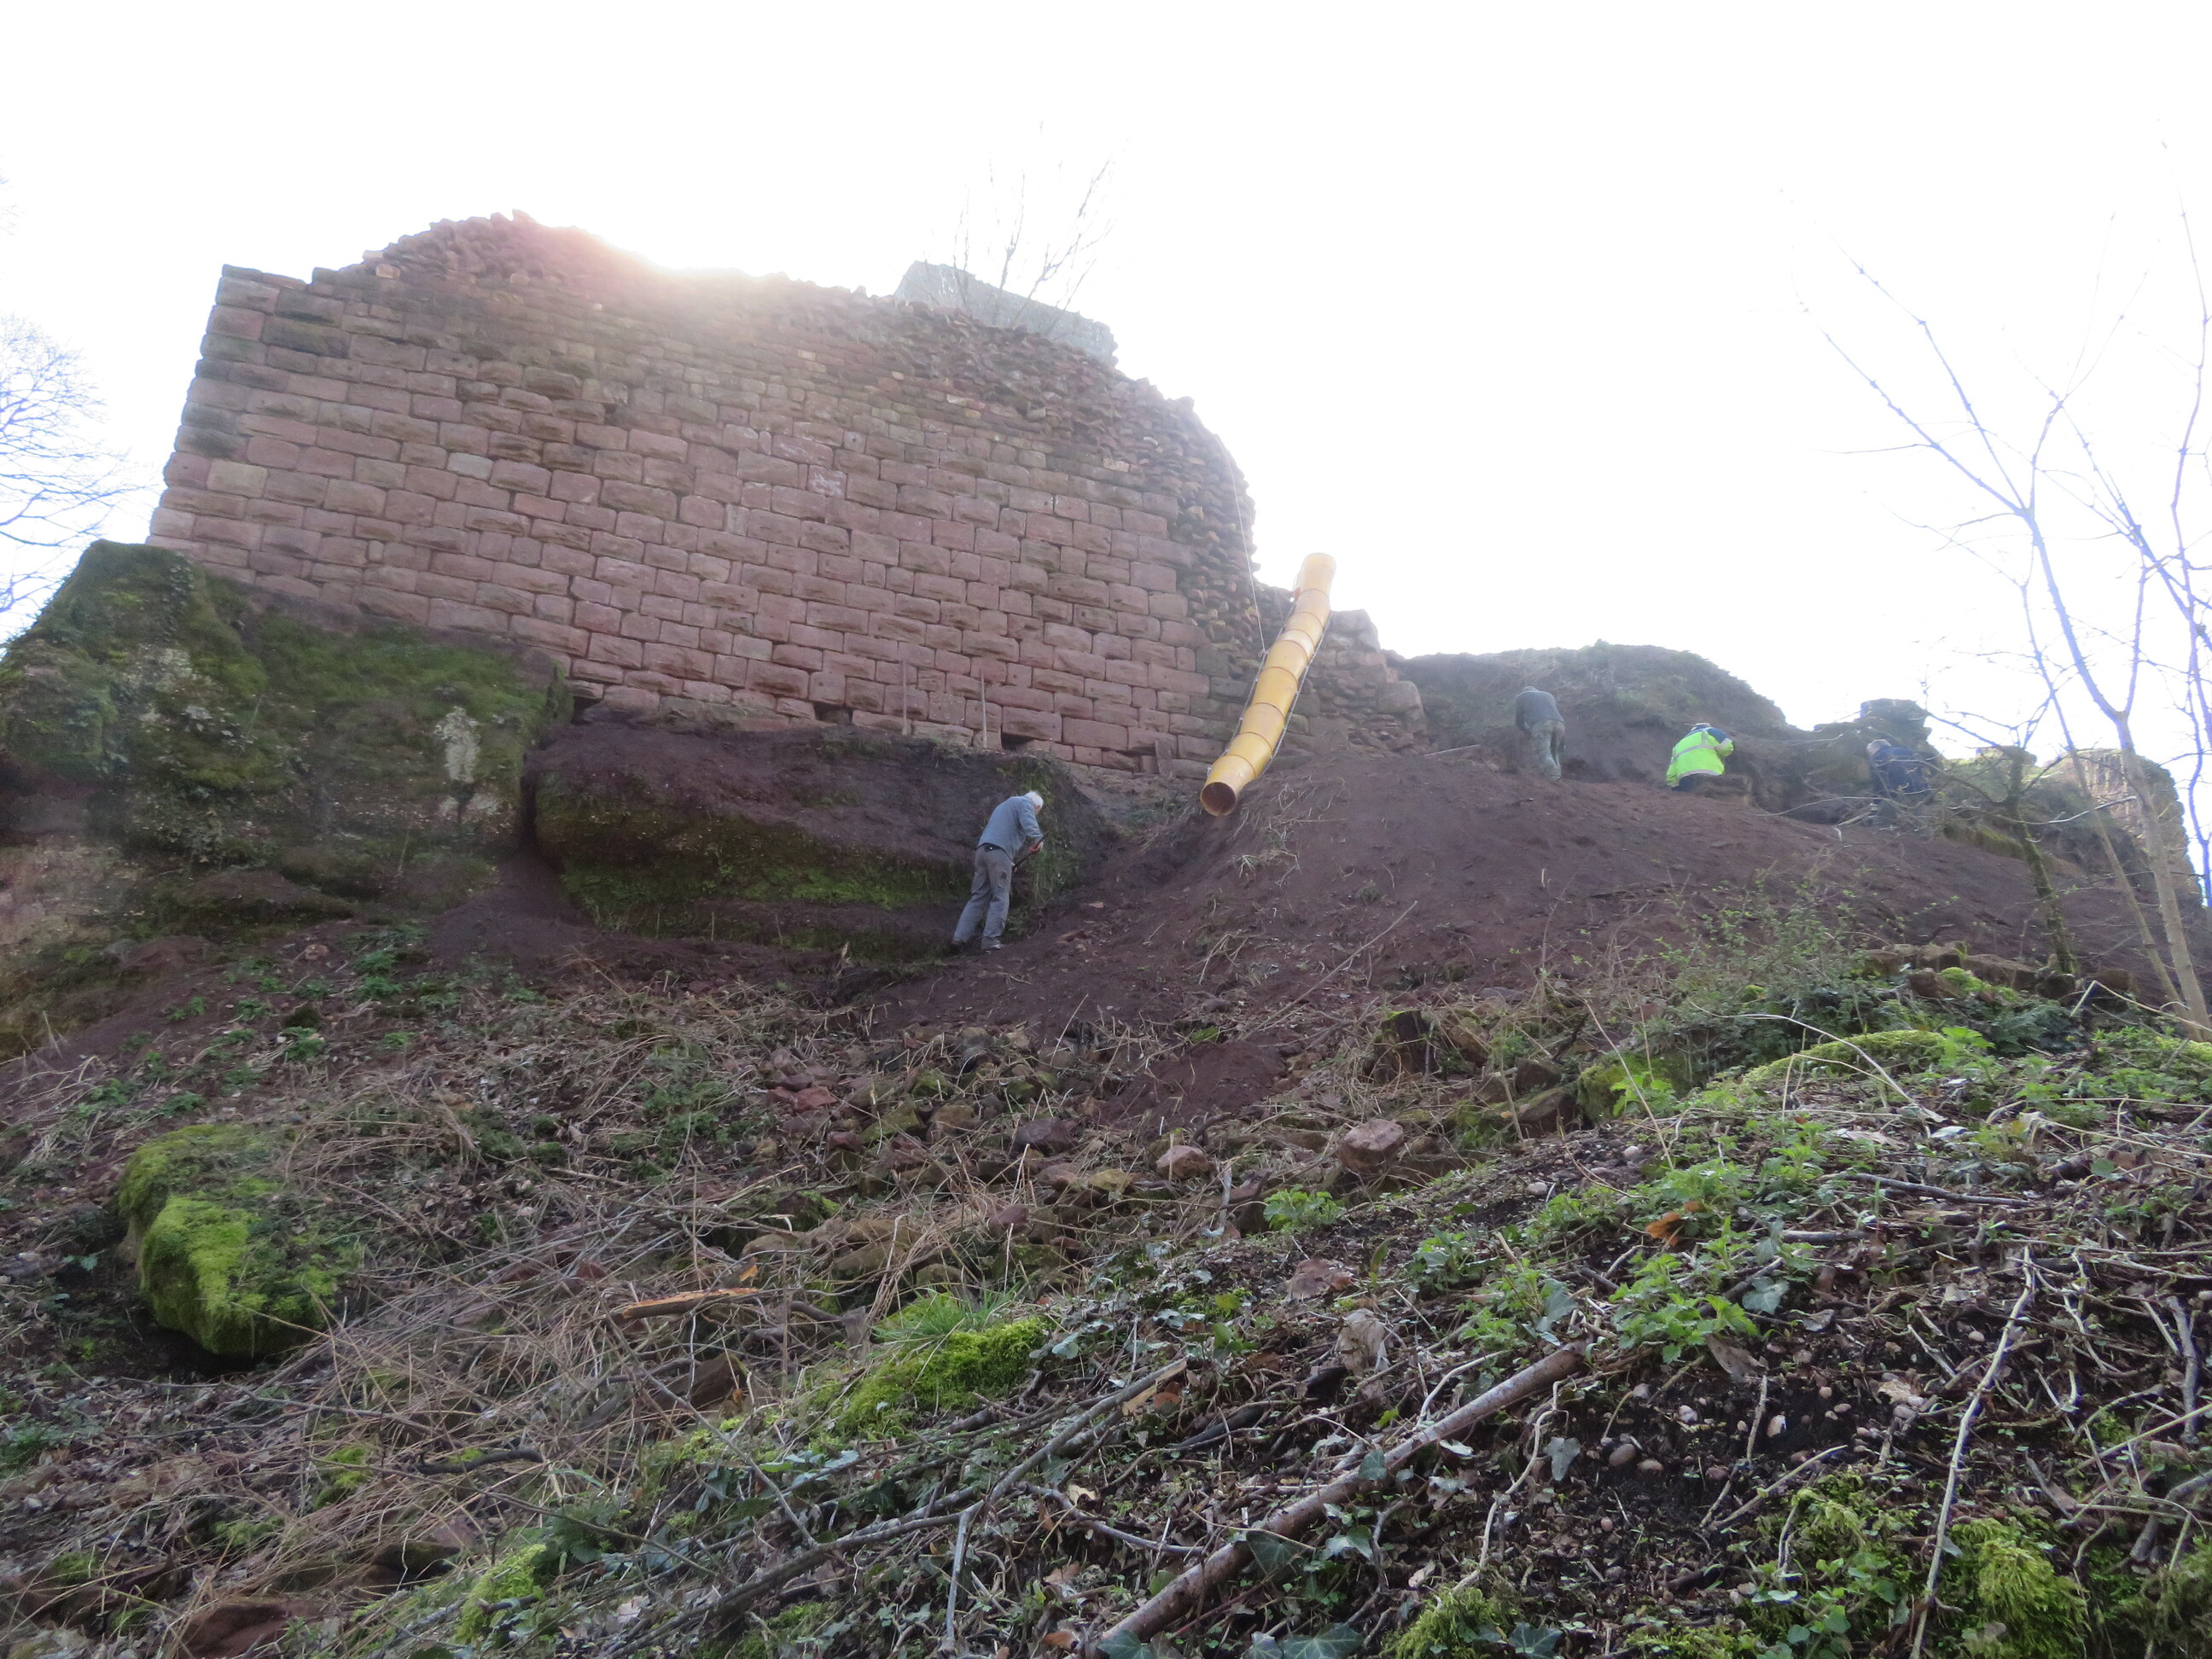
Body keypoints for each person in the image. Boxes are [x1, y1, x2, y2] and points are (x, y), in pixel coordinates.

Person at [952, 789, 1045, 952]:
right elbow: (1028, 822)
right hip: (998, 853)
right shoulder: (1025, 803)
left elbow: (1000, 834)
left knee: (978, 897)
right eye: (1036, 812)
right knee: (1000, 895)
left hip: (983, 852)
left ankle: (959, 938)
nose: (1034, 814)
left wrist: (1008, 862)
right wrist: (1038, 839)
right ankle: (990, 939)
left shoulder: (1005, 805)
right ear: (1036, 806)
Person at [1513, 686, 1566, 781]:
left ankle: (1552, 776)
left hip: (1541, 724)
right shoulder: (1549, 695)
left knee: (1544, 753)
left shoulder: (1521, 697)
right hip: (1560, 724)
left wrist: (1526, 730)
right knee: (1555, 753)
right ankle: (1557, 776)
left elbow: (1519, 720)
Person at [1666, 724, 1734, 791]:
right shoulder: (1710, 731)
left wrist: (1675, 787)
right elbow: (1726, 748)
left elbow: (1671, 773)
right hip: (1709, 776)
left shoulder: (1679, 744)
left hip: (1685, 780)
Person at [1866, 738, 1933, 804]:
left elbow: (1878, 780)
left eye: (1871, 752)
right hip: (1921, 789)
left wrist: (1877, 801)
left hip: (1900, 794)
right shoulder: (1906, 751)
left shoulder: (1877, 757)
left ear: (1877, 748)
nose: (1871, 754)